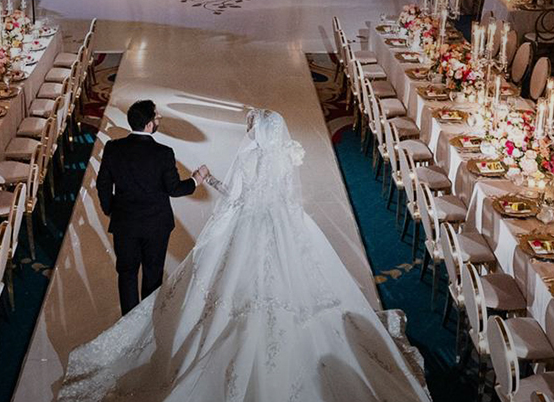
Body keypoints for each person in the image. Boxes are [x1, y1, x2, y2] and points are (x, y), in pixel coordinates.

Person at [57, 109, 431, 401]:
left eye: (250, 125)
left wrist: (208, 178)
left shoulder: (250, 157)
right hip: (285, 225)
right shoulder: (283, 158)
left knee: (223, 288)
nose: (248, 131)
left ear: (259, 131)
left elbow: (235, 198)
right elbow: (287, 198)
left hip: (247, 226)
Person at [94, 99, 199, 314]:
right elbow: (175, 189)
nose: (159, 119)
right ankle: (145, 325)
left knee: (127, 273)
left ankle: (128, 323)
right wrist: (196, 180)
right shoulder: (163, 153)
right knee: (153, 274)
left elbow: (103, 184)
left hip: (125, 224)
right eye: (157, 117)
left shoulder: (113, 148)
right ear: (149, 125)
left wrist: (111, 209)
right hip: (156, 225)